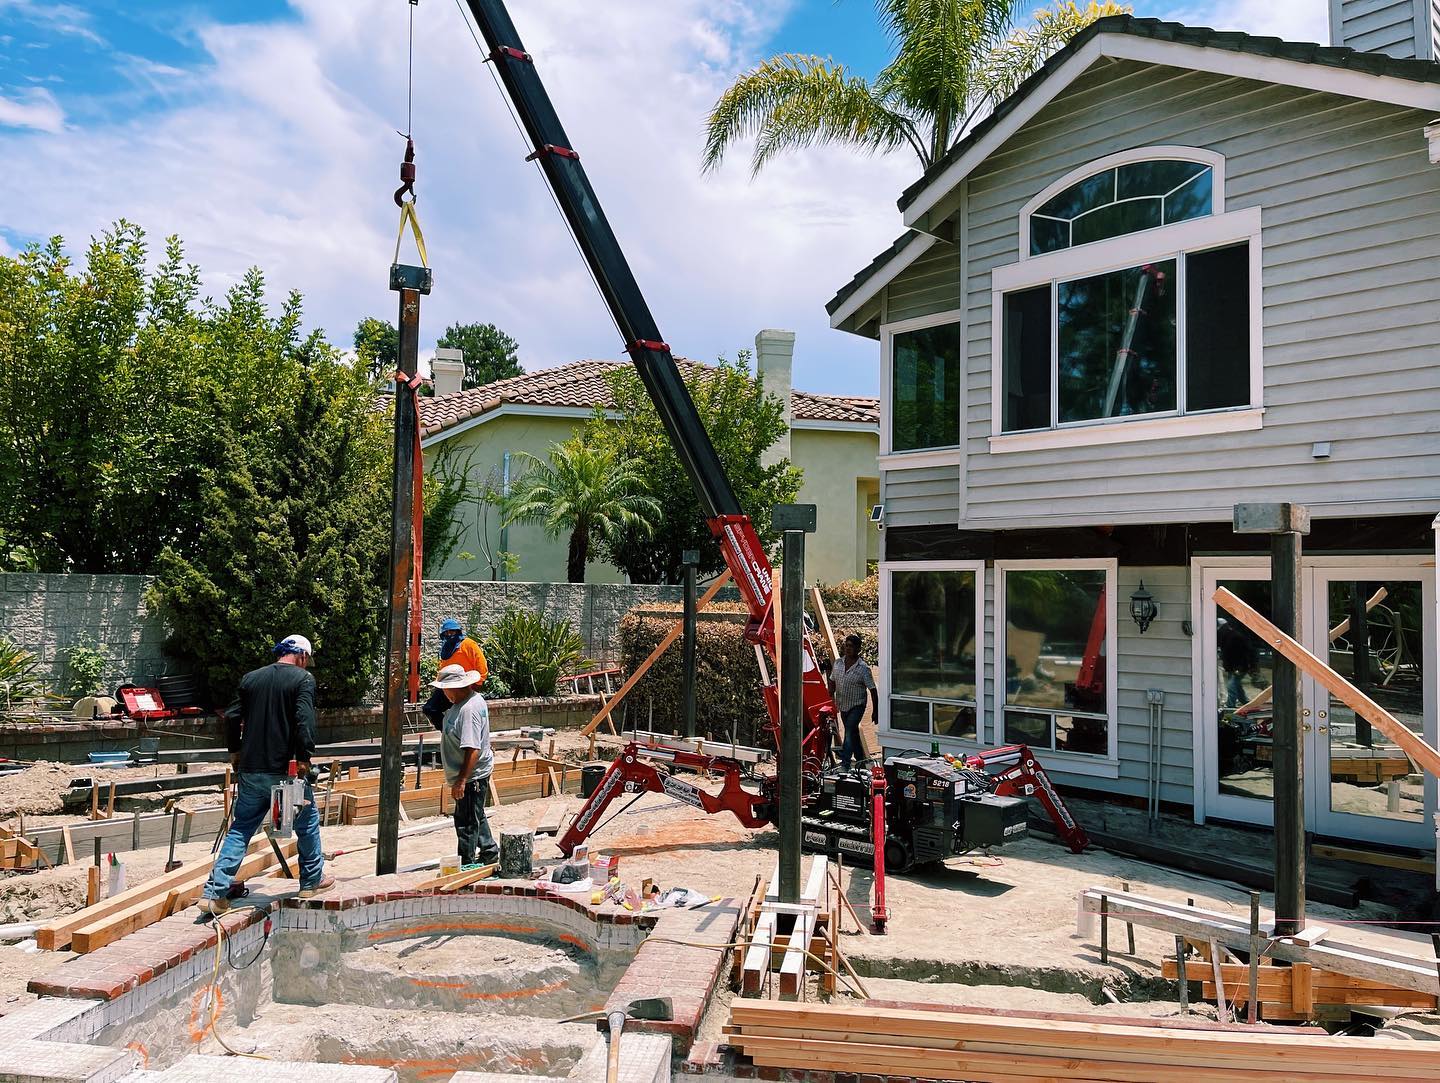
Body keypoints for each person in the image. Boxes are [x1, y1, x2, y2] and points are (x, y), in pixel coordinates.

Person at [200, 634, 332, 915]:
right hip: (286, 769)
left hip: (250, 767)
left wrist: (234, 751)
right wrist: (304, 757)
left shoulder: (251, 679)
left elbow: (233, 716)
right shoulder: (302, 680)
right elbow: (304, 720)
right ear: (303, 657)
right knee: (306, 822)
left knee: (241, 828)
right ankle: (311, 881)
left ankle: (215, 892)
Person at [432, 663, 499, 866]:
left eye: (446, 690)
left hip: (471, 776)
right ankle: (489, 852)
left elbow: (473, 749)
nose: (444, 694)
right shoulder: (463, 703)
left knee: (466, 823)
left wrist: (462, 781)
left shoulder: (469, 709)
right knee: (475, 813)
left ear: (457, 687)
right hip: (468, 774)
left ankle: (467, 863)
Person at [421, 618, 489, 728]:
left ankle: (457, 733)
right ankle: (448, 731)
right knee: (429, 709)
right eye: (446, 633)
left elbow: (481, 663)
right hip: (448, 686)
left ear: (458, 632)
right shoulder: (446, 649)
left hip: (466, 685)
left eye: (452, 631)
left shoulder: (468, 644)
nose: (449, 635)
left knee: (463, 713)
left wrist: (478, 683)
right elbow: (443, 667)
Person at [828, 633, 878, 771]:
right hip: (842, 705)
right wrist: (829, 698)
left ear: (858, 649)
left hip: (857, 706)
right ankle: (861, 761)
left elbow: (873, 690)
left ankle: (845, 764)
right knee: (853, 734)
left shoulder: (863, 668)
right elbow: (832, 681)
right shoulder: (838, 663)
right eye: (846, 645)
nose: (848, 648)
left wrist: (876, 711)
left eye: (851, 646)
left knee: (849, 732)